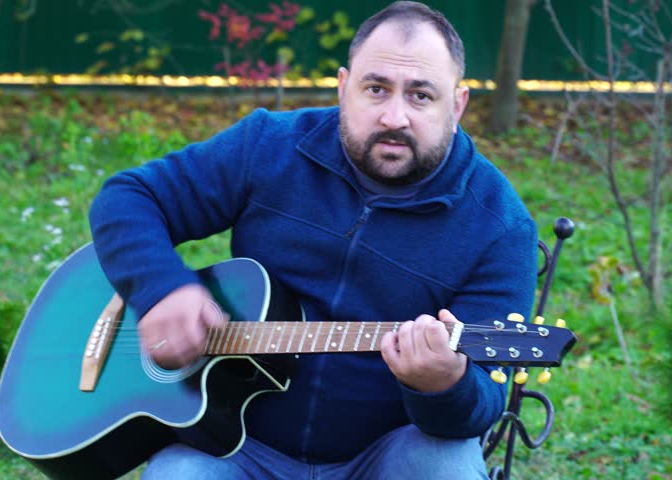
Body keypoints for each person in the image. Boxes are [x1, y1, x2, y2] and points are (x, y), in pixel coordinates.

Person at [89, 1, 537, 478]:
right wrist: (163, 289)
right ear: (344, 88)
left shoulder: (500, 228)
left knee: (444, 465)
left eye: (421, 96)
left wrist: (445, 385)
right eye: (376, 89)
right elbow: (130, 197)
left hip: (386, 453)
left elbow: (482, 405)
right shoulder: (270, 146)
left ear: (458, 106)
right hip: (235, 443)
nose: (394, 117)